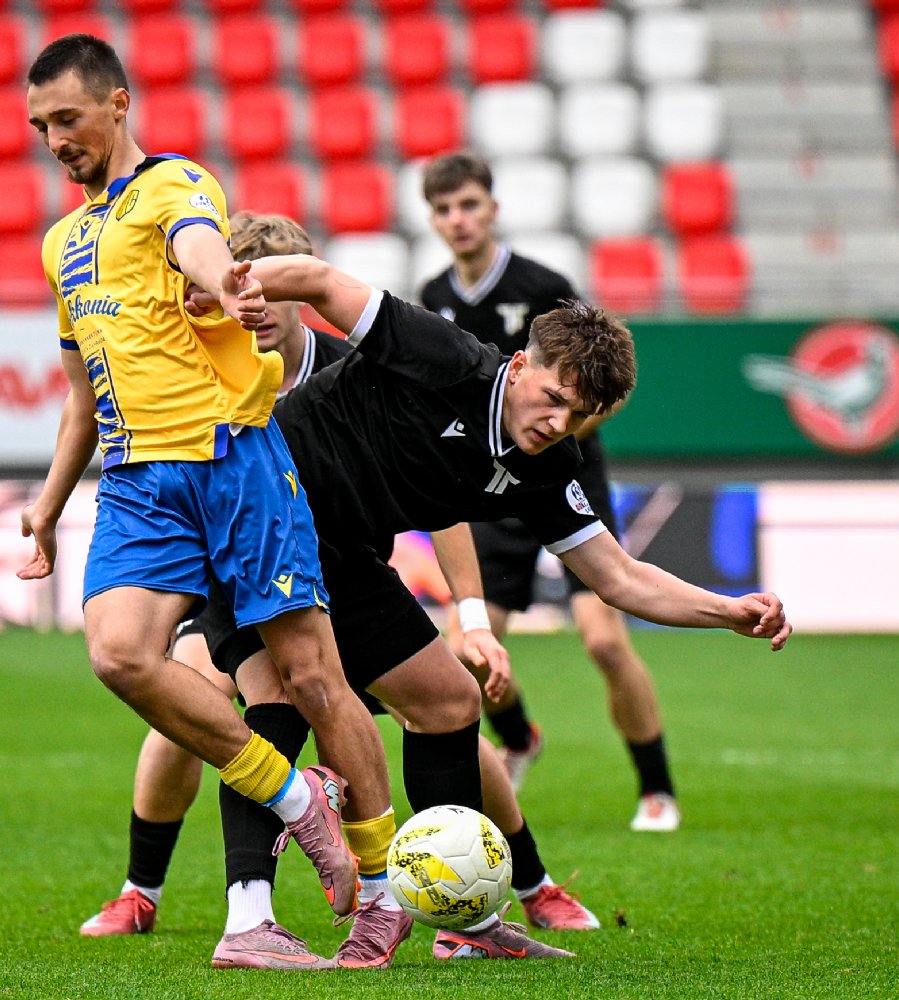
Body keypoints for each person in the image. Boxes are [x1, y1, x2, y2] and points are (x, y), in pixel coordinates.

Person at [189, 252, 791, 964]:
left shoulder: (547, 467)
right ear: (520, 364)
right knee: (283, 702)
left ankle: (460, 919)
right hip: (257, 504)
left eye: (579, 415)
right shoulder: (445, 356)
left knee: (448, 701)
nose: (557, 421)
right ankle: (251, 920)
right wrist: (230, 286)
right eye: (554, 396)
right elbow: (322, 282)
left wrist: (727, 610)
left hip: (341, 551)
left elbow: (620, 577)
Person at [81, 216, 603, 965]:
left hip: (348, 571)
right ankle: (157, 892)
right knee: (214, 705)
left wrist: (473, 616)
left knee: (448, 706)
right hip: (243, 550)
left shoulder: (353, 363)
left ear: (292, 294)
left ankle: (517, 887)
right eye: (241, 288)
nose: (257, 309)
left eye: (269, 291)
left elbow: (445, 496)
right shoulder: (202, 366)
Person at [14, 37, 401, 963]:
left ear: (117, 104)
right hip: (137, 478)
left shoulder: (176, 184)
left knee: (313, 679)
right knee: (119, 654)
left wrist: (222, 280)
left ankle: (384, 895)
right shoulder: (61, 245)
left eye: (68, 118)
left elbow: (199, 246)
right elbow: (81, 396)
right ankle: (299, 798)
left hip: (233, 461)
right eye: (40, 127)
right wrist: (49, 506)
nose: (56, 140)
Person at [419, 151, 682, 832]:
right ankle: (519, 737)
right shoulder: (433, 296)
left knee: (603, 641)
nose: (458, 219)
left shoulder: (544, 286)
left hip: (564, 476)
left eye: (469, 204)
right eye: (444, 209)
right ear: (433, 220)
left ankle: (657, 789)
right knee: (467, 648)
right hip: (489, 485)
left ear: (493, 209)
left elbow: (608, 386)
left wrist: (552, 440)